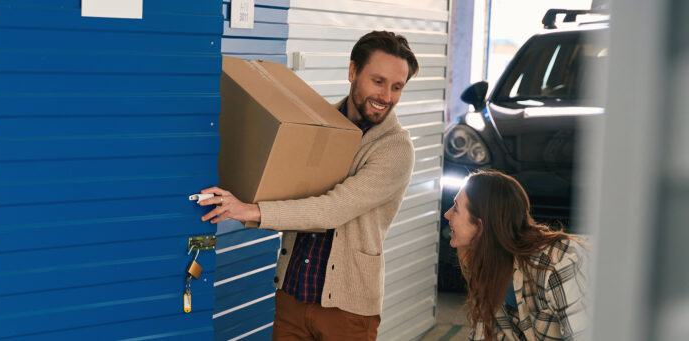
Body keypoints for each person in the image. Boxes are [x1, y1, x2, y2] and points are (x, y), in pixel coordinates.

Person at [197, 31, 419, 341]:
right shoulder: (317, 124)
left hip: (347, 312)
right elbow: (288, 188)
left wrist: (250, 210)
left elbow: (333, 208)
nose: (386, 97)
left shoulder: (395, 149)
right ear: (353, 72)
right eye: (378, 81)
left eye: (397, 87)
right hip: (292, 295)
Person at [443, 170, 589, 340]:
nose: (447, 214)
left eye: (456, 208)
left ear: (481, 225)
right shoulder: (487, 266)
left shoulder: (557, 265)